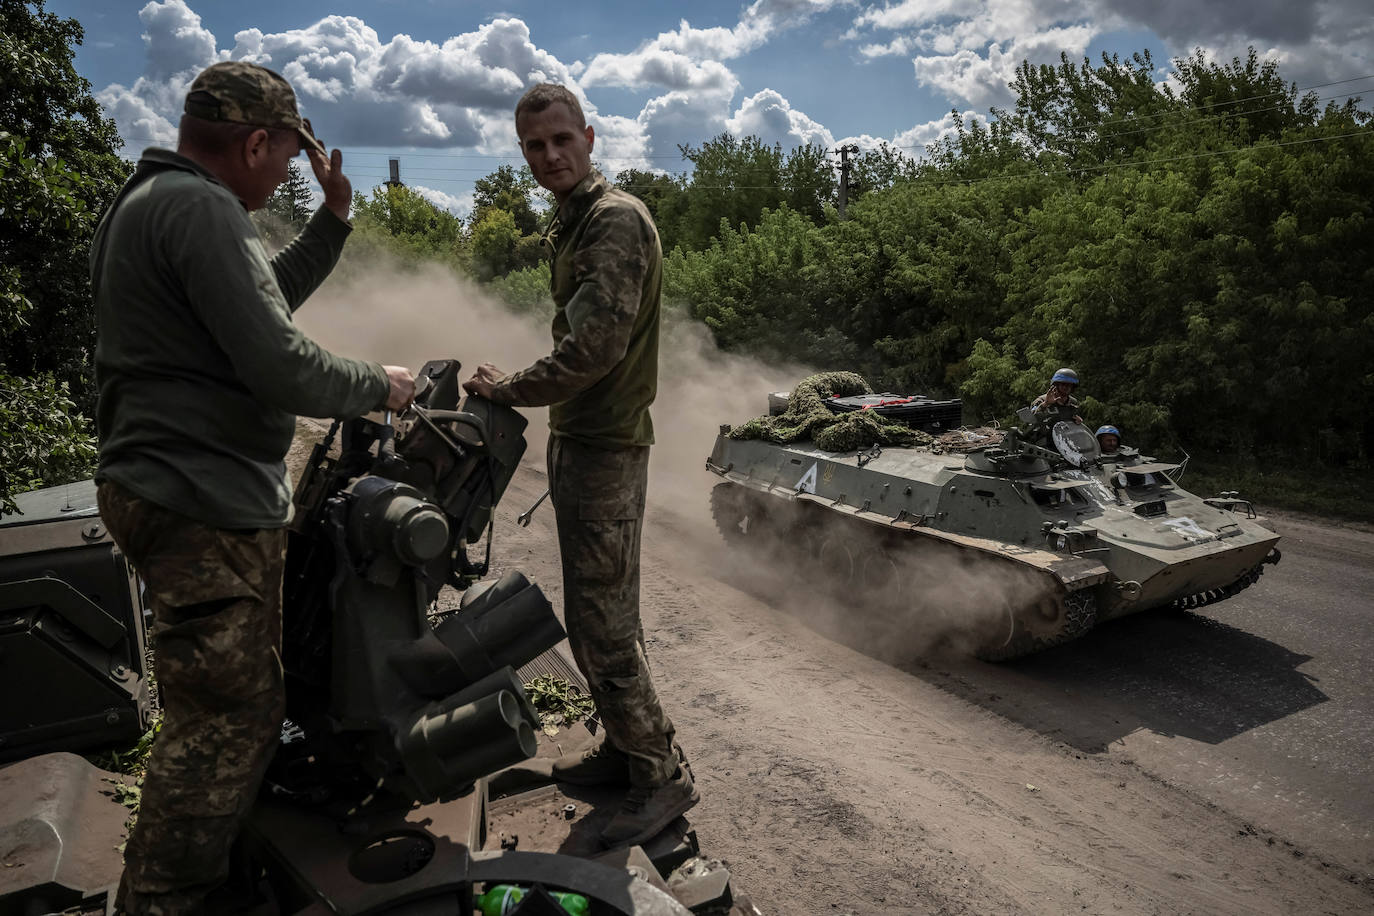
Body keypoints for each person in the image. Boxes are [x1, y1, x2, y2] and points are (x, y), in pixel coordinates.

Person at [91, 61, 415, 914]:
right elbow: (276, 359)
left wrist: (336, 220)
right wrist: (376, 385)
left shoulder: (153, 201)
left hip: (175, 489)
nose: (285, 178)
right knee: (223, 721)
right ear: (258, 141)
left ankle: (219, 875)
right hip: (198, 499)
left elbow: (258, 303)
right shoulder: (202, 208)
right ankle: (166, 898)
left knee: (241, 704)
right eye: (283, 159)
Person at [462, 83, 695, 848]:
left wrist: (510, 390)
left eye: (562, 140)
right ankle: (625, 750)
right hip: (584, 440)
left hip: (604, 445)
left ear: (589, 138)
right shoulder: (576, 221)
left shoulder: (614, 220)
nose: (550, 156)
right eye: (535, 146)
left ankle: (659, 774)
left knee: (602, 628)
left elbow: (594, 350)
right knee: (597, 615)